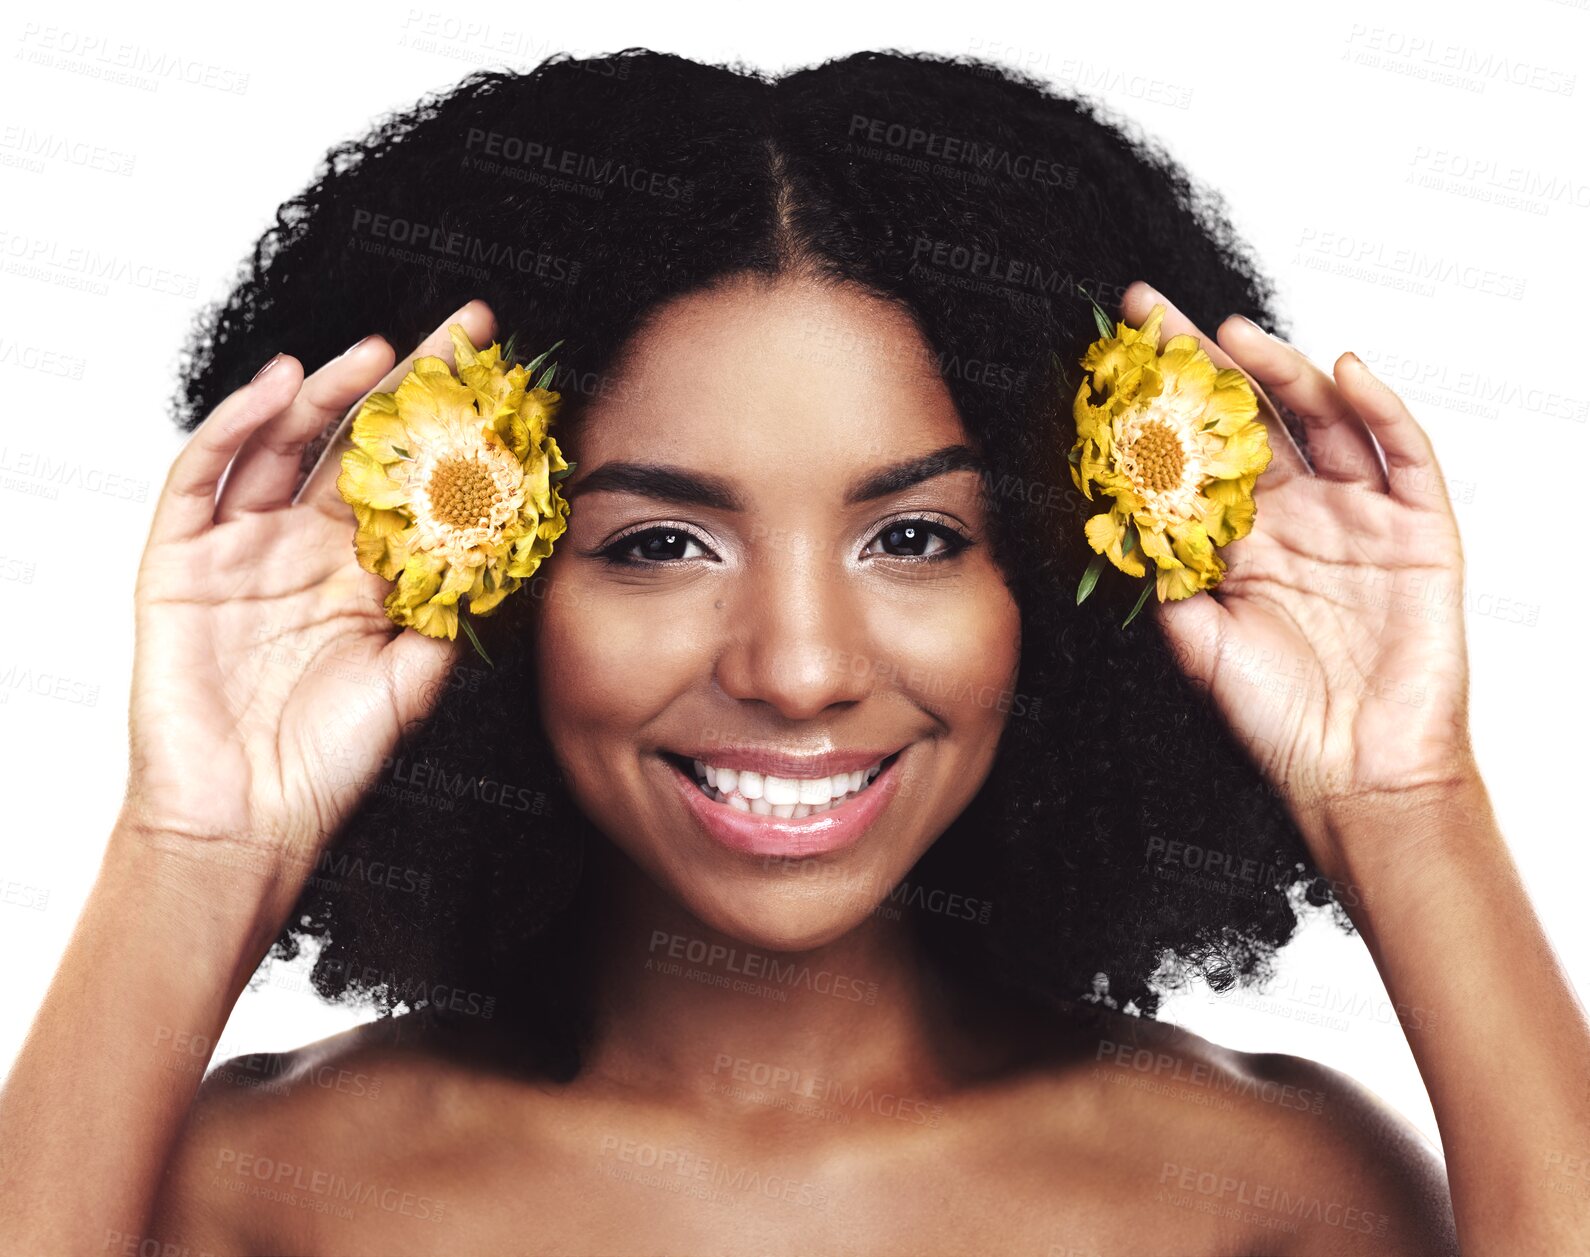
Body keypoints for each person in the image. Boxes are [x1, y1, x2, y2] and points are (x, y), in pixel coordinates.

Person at [2, 48, 1586, 1256]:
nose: (800, 665)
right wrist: (195, 842)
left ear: (1049, 570)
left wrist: (1404, 795)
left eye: (914, 536)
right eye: (655, 543)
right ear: (477, 582)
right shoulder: (253, 1188)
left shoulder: (1266, 1192)